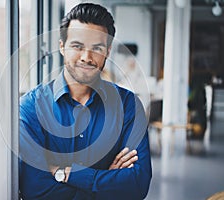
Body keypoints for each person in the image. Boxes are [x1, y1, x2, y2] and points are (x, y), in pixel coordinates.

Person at [19, 3, 152, 200]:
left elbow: (137, 185)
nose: (86, 57)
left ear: (107, 51)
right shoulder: (31, 107)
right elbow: (35, 188)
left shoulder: (129, 106)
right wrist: (106, 179)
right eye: (77, 46)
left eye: (96, 48)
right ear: (62, 46)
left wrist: (66, 173)